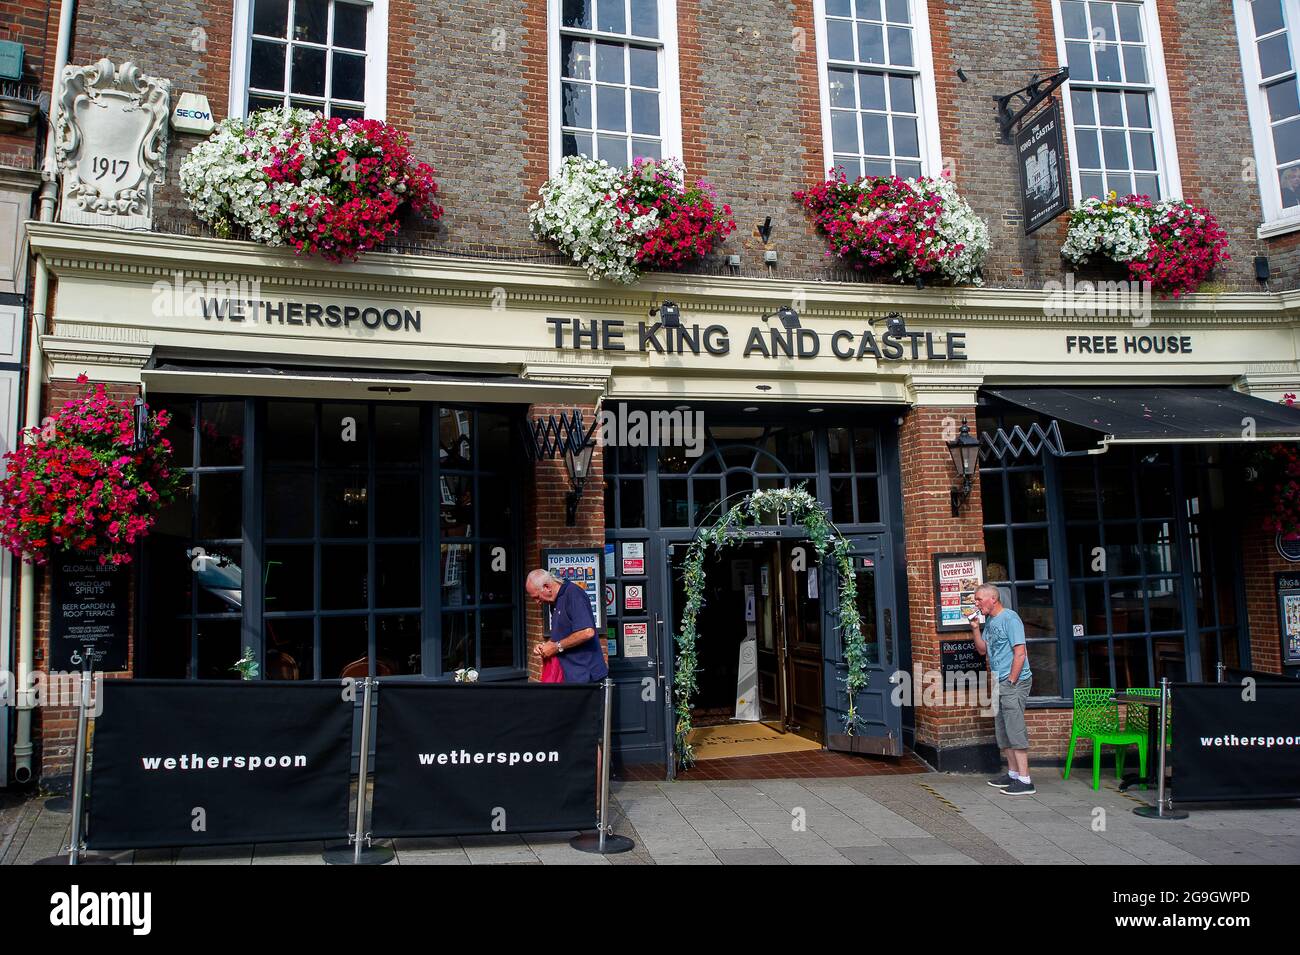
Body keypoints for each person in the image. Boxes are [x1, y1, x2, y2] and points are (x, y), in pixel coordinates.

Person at [970, 583, 1035, 796]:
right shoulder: (990, 621)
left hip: (1013, 681)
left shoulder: (1010, 618)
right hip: (1000, 680)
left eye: (979, 599)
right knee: (1003, 728)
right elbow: (982, 650)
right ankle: (1013, 774)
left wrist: (1011, 679)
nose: (976, 603)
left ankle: (1025, 780)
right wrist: (975, 628)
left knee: (1014, 726)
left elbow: (1020, 653)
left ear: (993, 599)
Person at [525, 569, 608, 683]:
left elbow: (587, 632)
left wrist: (556, 646)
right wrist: (546, 645)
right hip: (570, 675)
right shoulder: (554, 601)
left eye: (537, 597)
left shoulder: (574, 594)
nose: (537, 602)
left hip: (585, 676)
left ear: (547, 587)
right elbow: (564, 633)